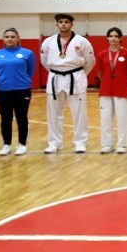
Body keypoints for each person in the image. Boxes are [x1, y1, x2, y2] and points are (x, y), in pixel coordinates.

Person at [40, 13, 96, 154]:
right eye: (61, 22)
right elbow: (44, 61)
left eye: (66, 22)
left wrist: (80, 74)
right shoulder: (48, 42)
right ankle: (54, 143)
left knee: (79, 113)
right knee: (53, 113)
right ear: (57, 24)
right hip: (55, 77)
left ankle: (80, 142)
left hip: (75, 77)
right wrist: (56, 71)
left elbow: (90, 61)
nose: (63, 24)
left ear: (72, 24)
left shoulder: (82, 41)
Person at [0, 28, 35, 156]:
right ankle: (7, 144)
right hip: (2, 90)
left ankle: (22, 144)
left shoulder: (27, 53)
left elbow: (30, 71)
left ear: (18, 38)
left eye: (12, 37)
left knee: (21, 117)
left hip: (22, 90)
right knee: (5, 118)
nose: (10, 39)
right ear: (3, 39)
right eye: (7, 37)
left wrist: (21, 81)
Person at [96, 27, 127, 154]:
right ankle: (107, 144)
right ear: (107, 38)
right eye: (111, 36)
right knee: (105, 118)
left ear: (120, 38)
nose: (113, 38)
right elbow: (100, 72)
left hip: (122, 90)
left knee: (122, 119)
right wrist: (107, 82)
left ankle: (122, 145)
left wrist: (126, 83)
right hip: (106, 90)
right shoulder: (101, 54)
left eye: (116, 36)